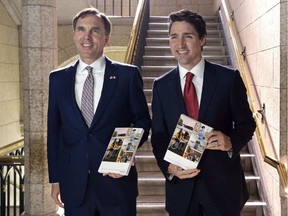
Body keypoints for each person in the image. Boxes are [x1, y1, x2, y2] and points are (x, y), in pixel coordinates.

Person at [47, 7, 151, 216]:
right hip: (75, 185)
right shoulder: (58, 79)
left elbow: (142, 121)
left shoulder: (127, 75)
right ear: (74, 35)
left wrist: (123, 155)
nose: (87, 36)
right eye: (81, 29)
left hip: (116, 184)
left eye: (95, 30)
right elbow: (54, 132)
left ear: (106, 38)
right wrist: (56, 179)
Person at [151, 9, 256, 216]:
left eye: (188, 36)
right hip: (181, 189)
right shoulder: (161, 86)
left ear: (203, 40)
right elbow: (159, 137)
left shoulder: (228, 79)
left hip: (223, 187)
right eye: (174, 37)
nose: (180, 44)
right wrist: (168, 166)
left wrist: (231, 142)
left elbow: (247, 124)